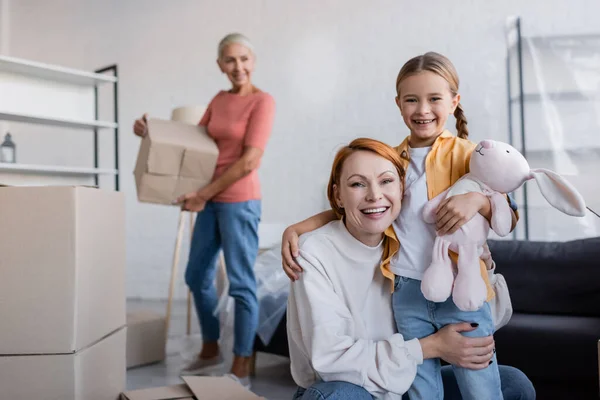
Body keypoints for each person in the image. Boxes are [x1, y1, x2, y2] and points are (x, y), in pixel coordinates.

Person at [282, 53, 534, 400]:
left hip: (446, 303)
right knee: (372, 393)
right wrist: (297, 229)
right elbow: (361, 205)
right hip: (393, 319)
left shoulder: (467, 155)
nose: (423, 109)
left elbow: (509, 206)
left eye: (434, 99)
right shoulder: (392, 159)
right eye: (412, 100)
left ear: (454, 101)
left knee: (505, 384)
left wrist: (479, 202)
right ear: (398, 104)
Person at [133, 33, 275, 388]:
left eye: (244, 59)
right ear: (220, 65)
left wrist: (204, 194)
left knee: (241, 283)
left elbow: (249, 161)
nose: (238, 66)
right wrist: (150, 133)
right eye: (230, 60)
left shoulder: (263, 102)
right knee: (196, 276)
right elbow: (194, 144)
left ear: (253, 62)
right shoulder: (219, 99)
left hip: (239, 200)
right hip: (209, 200)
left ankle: (241, 361)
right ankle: (211, 348)